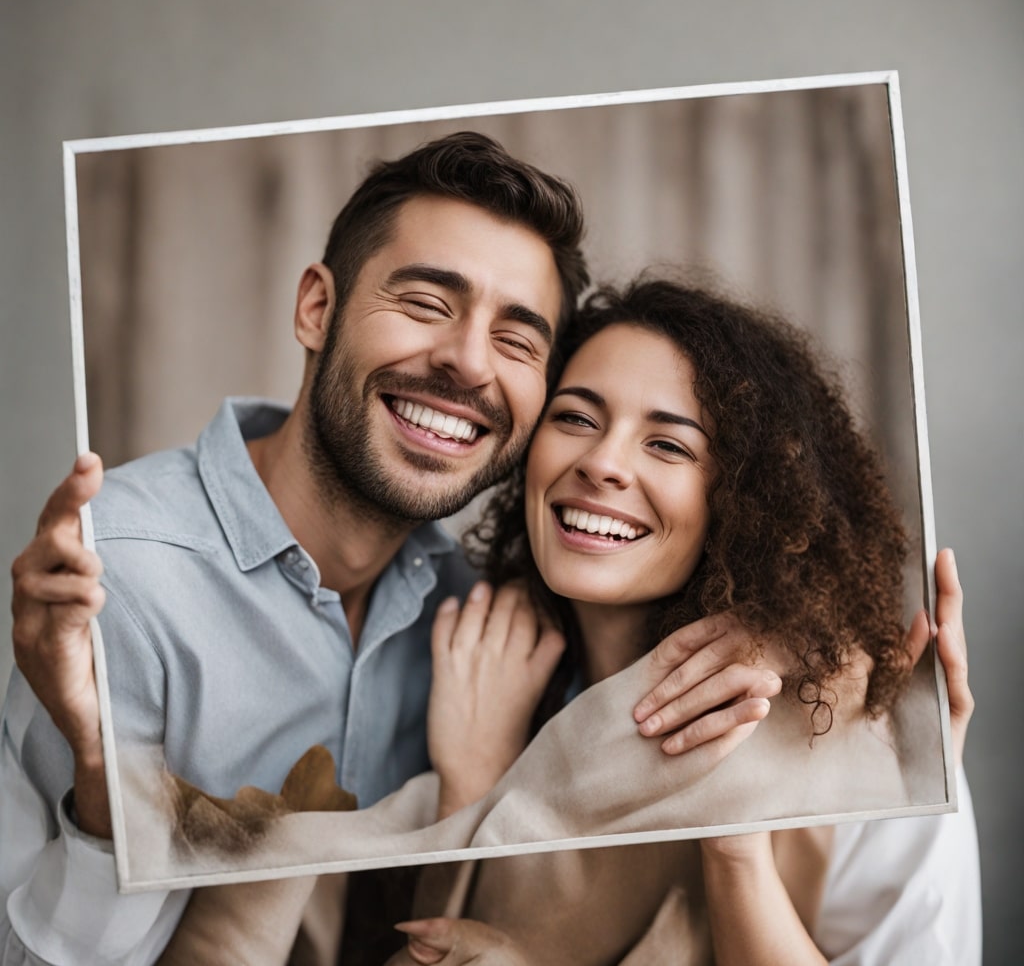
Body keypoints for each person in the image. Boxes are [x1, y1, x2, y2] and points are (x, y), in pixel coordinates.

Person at [1, 140, 772, 965]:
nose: (468, 362)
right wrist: (103, 772)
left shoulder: (478, 617)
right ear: (316, 309)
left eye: (516, 341)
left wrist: (772, 638)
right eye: (427, 303)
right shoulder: (118, 580)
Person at [155, 276, 979, 964]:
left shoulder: (846, 723)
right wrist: (473, 787)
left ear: (745, 499)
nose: (602, 463)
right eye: (576, 418)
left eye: (669, 446)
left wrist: (734, 838)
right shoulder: (455, 658)